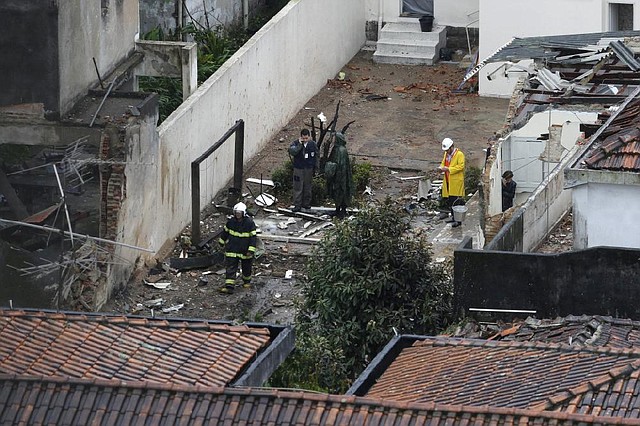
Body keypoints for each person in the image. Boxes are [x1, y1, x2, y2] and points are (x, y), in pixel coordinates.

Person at [218, 202, 257, 294]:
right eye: (236, 213)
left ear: (243, 213)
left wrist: (251, 250)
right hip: (233, 249)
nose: (238, 215)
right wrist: (221, 242)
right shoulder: (231, 222)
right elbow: (225, 233)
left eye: (239, 213)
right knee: (231, 267)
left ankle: (246, 282)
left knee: (246, 267)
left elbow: (253, 238)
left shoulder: (249, 223)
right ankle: (229, 286)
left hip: (245, 250)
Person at [437, 137, 465, 228]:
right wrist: (441, 168)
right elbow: (443, 163)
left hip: (456, 182)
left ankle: (458, 221)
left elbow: (461, 166)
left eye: (447, 149)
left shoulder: (459, 154)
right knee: (451, 200)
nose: (446, 151)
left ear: (451, 147)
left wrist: (448, 169)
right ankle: (453, 217)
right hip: (448, 180)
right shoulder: (446, 154)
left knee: (456, 201)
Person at [325, 132, 354, 218]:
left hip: (341, 176)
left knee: (341, 192)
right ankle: (337, 209)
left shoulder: (341, 150)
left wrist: (333, 167)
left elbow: (341, 164)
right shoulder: (336, 148)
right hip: (336, 176)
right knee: (336, 193)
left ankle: (343, 210)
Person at [288, 128, 317, 212]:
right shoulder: (295, 143)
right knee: (298, 187)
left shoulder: (312, 144)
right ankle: (297, 205)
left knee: (307, 186)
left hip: (308, 168)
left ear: (309, 137)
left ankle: (306, 203)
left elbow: (316, 155)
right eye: (303, 138)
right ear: (300, 137)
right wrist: (300, 145)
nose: (305, 140)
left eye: (306, 138)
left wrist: (316, 167)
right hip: (298, 168)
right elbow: (293, 152)